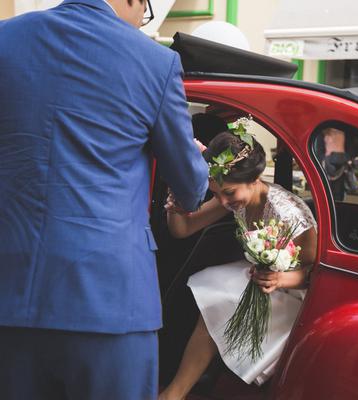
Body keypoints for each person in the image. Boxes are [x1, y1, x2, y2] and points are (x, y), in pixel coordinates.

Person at [0, 0, 208, 399]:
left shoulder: (6, 39)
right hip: (110, 301)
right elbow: (191, 189)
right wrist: (189, 160)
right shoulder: (154, 61)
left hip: (9, 296)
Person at [159, 128, 317, 400]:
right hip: (259, 278)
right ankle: (176, 393)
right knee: (214, 299)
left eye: (228, 193)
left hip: (294, 293)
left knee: (218, 298)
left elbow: (314, 274)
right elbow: (183, 229)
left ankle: (175, 393)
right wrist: (176, 203)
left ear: (255, 178)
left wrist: (280, 280)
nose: (222, 201)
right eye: (216, 193)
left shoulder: (289, 213)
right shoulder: (233, 199)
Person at [316, 127, 358, 201]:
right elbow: (320, 150)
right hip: (328, 166)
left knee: (338, 193)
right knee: (326, 193)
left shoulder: (346, 132)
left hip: (340, 166)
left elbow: (351, 150)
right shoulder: (323, 131)